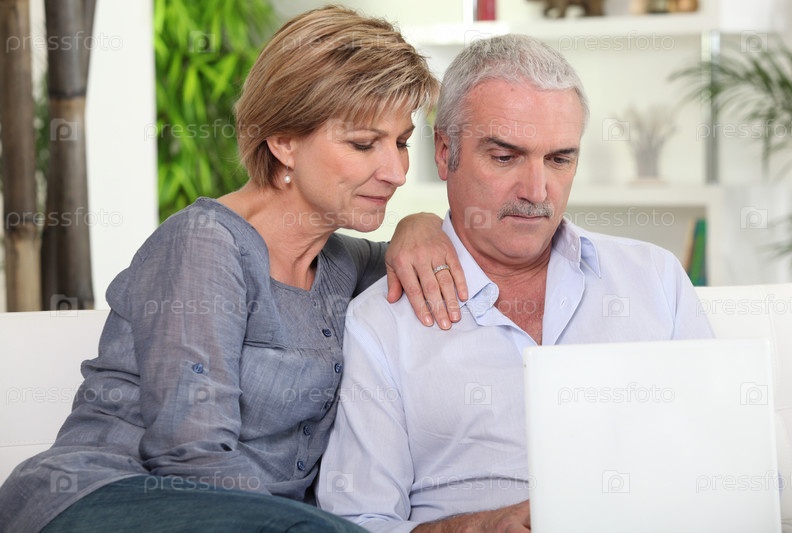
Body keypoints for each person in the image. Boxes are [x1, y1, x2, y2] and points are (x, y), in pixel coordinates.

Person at [0, 6, 467, 532]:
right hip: (101, 496)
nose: (397, 172)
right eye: (363, 144)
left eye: (401, 142)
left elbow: (441, 259)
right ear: (283, 141)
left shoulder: (343, 263)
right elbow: (190, 457)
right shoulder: (205, 244)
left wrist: (421, 224)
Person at [317, 34, 715, 532]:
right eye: (505, 157)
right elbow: (359, 522)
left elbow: (724, 463)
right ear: (444, 152)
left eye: (559, 159)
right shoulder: (382, 322)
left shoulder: (654, 278)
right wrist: (478, 528)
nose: (536, 191)